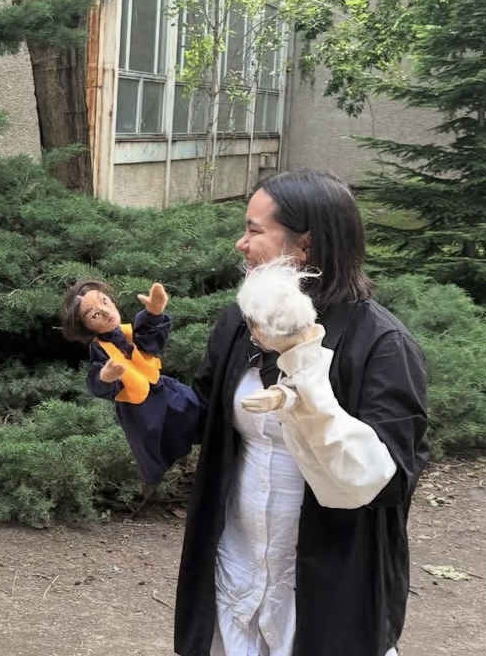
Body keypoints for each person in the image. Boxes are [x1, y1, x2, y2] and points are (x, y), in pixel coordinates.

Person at [169, 169, 429, 656]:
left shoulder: (383, 345)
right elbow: (204, 416)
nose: (239, 244)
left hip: (323, 582)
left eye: (254, 230)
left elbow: (388, 480)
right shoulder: (240, 324)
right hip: (239, 567)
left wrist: (307, 387)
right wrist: (141, 388)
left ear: (304, 246)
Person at [59, 280, 201, 485]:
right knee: (158, 444)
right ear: (86, 326)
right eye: (95, 315)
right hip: (141, 408)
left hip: (163, 389)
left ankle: (216, 429)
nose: (106, 312)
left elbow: (149, 340)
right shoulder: (100, 349)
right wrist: (105, 376)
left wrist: (154, 313)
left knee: (194, 410)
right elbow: (95, 381)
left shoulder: (129, 331)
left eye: (105, 302)